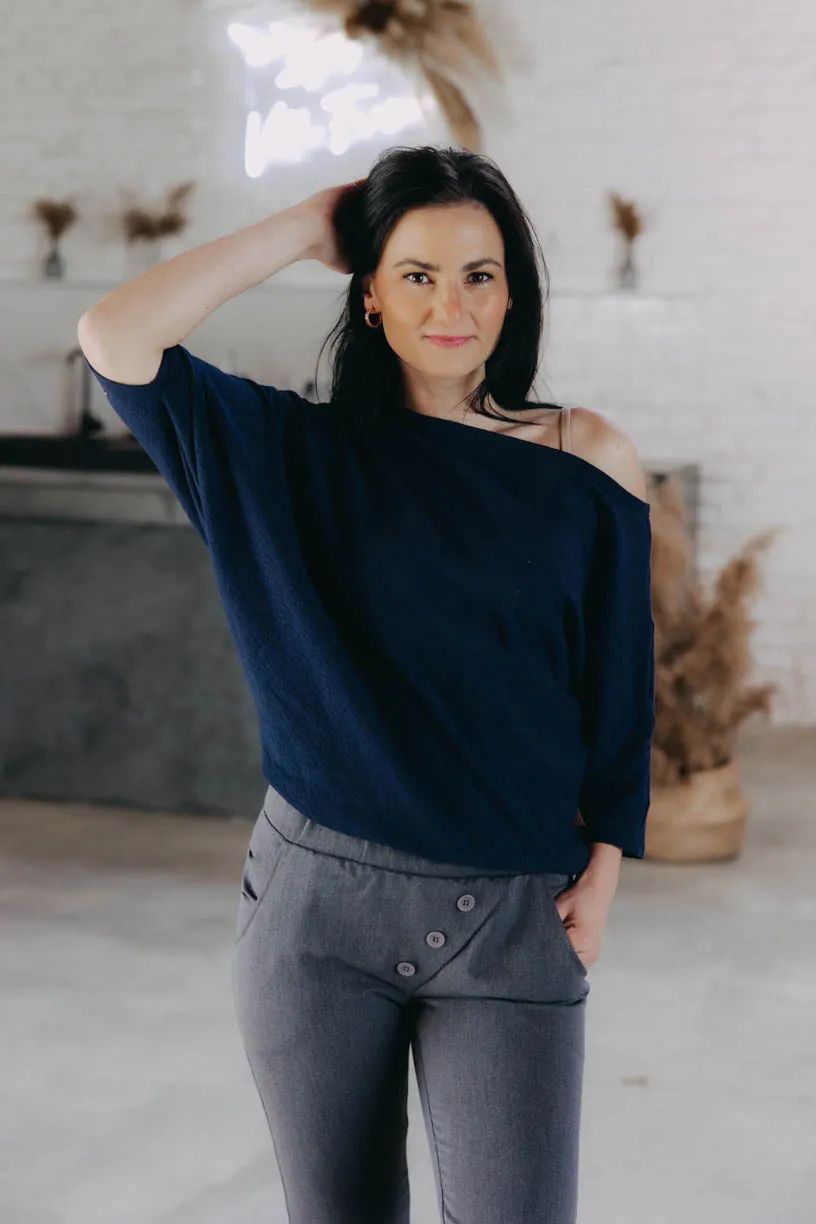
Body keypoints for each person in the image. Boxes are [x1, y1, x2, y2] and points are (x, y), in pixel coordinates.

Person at [78, 144, 655, 1224]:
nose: (451, 305)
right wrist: (308, 225)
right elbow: (115, 336)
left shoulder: (588, 459)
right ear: (373, 295)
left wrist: (609, 861)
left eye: (479, 275)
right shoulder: (280, 452)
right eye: (417, 274)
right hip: (315, 911)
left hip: (512, 910)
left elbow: (618, 683)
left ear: (513, 294)